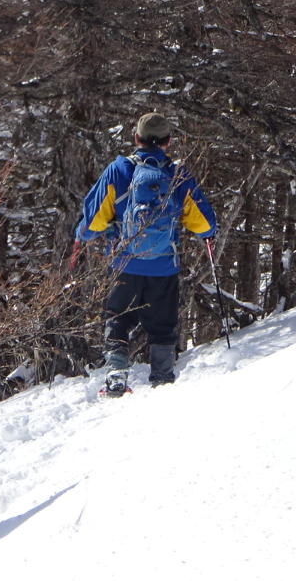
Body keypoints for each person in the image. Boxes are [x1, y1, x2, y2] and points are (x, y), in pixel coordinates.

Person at [74, 111, 217, 395]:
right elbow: (203, 222)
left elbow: (94, 220)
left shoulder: (119, 170)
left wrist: (81, 238)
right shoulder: (177, 174)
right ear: (168, 142)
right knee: (162, 325)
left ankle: (116, 376)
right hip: (164, 265)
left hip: (124, 263)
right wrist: (208, 236)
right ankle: (162, 379)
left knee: (118, 319)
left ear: (136, 138)